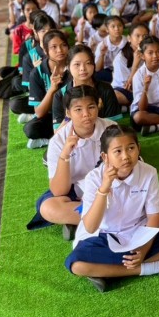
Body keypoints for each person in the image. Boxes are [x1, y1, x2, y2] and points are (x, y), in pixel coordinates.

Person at [65, 125, 159, 293]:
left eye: (131, 148)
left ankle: (109, 272)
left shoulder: (149, 172)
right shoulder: (94, 178)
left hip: (139, 232)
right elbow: (90, 226)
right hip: (104, 235)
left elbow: (154, 217)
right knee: (77, 265)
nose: (126, 156)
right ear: (105, 156)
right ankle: (155, 267)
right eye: (117, 151)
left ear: (138, 148)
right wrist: (104, 188)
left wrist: (143, 250)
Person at [28, 86, 116, 238]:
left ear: (98, 106)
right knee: (48, 207)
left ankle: (83, 222)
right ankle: (108, 220)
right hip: (77, 190)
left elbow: (127, 168)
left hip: (110, 185)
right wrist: (65, 155)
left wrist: (105, 189)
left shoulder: (111, 129)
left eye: (91, 107)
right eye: (78, 109)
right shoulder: (58, 141)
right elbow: (59, 191)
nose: (86, 114)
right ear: (68, 113)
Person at [51, 45, 122, 128]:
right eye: (77, 64)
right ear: (68, 67)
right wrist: (68, 117)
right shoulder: (60, 95)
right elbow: (57, 133)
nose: (82, 68)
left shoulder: (105, 89)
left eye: (88, 63)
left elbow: (114, 127)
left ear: (93, 65)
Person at [25, 30, 71, 149]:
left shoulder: (75, 66)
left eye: (63, 45)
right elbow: (39, 113)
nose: (60, 50)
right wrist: (52, 89)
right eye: (54, 47)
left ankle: (55, 139)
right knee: (30, 128)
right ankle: (54, 139)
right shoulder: (37, 72)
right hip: (52, 116)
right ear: (45, 51)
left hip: (73, 114)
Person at [130, 36, 159, 135]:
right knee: (138, 117)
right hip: (145, 110)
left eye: (158, 52)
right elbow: (142, 108)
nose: (155, 56)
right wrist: (145, 88)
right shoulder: (138, 75)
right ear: (142, 56)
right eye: (150, 53)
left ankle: (156, 127)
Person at [111, 23, 149, 107]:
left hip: (146, 88)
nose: (141, 39)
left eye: (145, 36)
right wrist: (135, 64)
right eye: (137, 36)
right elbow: (127, 87)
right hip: (124, 90)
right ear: (129, 38)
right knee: (114, 96)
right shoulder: (120, 58)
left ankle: (125, 106)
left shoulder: (149, 53)